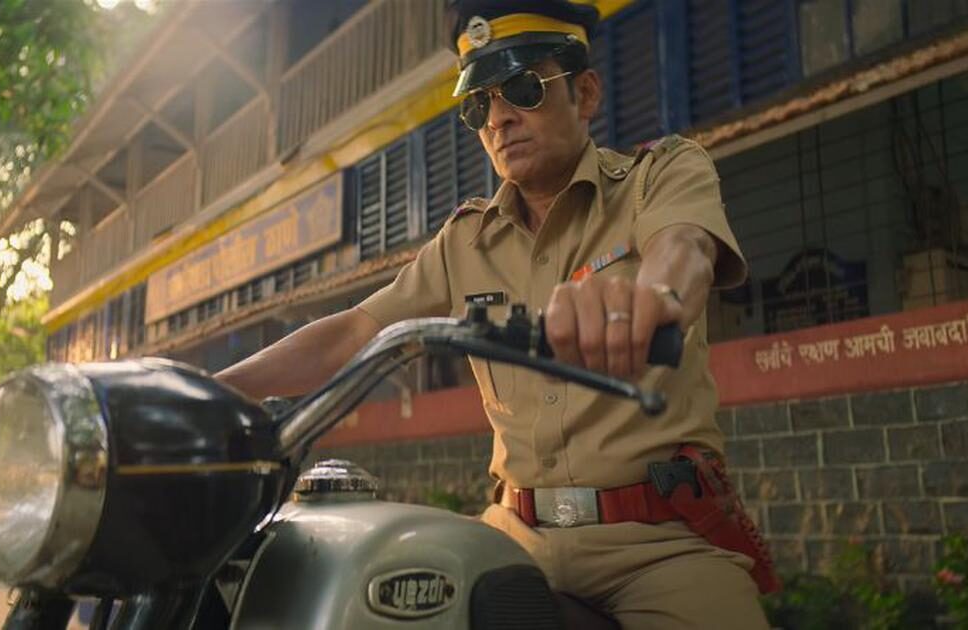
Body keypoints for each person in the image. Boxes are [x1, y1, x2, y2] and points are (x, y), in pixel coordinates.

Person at [217, 1, 773, 627]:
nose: (499, 118)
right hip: (512, 536)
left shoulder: (657, 175)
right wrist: (210, 389)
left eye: (523, 89)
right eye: (479, 105)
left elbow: (684, 249)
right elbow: (353, 331)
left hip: (660, 547)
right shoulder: (463, 242)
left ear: (586, 93)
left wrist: (653, 300)